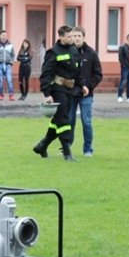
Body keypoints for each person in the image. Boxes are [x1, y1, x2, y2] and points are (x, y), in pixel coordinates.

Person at [34, 25, 89, 161]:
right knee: (64, 120)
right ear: (61, 36)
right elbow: (46, 74)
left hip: (70, 90)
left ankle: (42, 145)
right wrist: (47, 94)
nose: (72, 39)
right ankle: (67, 152)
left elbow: (77, 70)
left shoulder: (73, 50)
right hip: (58, 89)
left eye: (73, 36)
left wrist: (82, 85)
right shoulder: (53, 52)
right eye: (69, 36)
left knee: (58, 120)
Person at [69, 26, 103, 157]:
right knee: (69, 120)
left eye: (79, 36)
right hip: (71, 93)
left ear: (83, 37)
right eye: (74, 36)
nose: (76, 38)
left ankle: (88, 149)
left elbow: (98, 74)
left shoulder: (91, 53)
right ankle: (67, 148)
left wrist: (89, 86)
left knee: (86, 121)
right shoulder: (68, 52)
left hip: (86, 94)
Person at [0, 30, 16, 101]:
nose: (4, 37)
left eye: (5, 35)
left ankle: (11, 95)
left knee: (9, 79)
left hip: (8, 65)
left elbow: (13, 55)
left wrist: (11, 63)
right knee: (0, 80)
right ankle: (1, 95)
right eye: (3, 35)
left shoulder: (10, 45)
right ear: (0, 36)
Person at [117, 33, 129, 102]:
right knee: (123, 81)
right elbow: (120, 57)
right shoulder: (122, 47)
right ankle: (119, 96)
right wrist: (123, 65)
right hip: (125, 67)